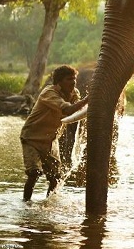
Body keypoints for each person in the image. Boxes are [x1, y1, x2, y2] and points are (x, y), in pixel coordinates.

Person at [20, 65, 88, 201]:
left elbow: (79, 110)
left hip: (51, 141)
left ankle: (48, 204)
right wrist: (88, 99)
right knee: (34, 173)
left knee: (55, 177)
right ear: (59, 82)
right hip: (32, 138)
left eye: (74, 79)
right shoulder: (49, 93)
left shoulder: (74, 93)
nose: (73, 82)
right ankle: (26, 205)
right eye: (69, 79)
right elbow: (68, 110)